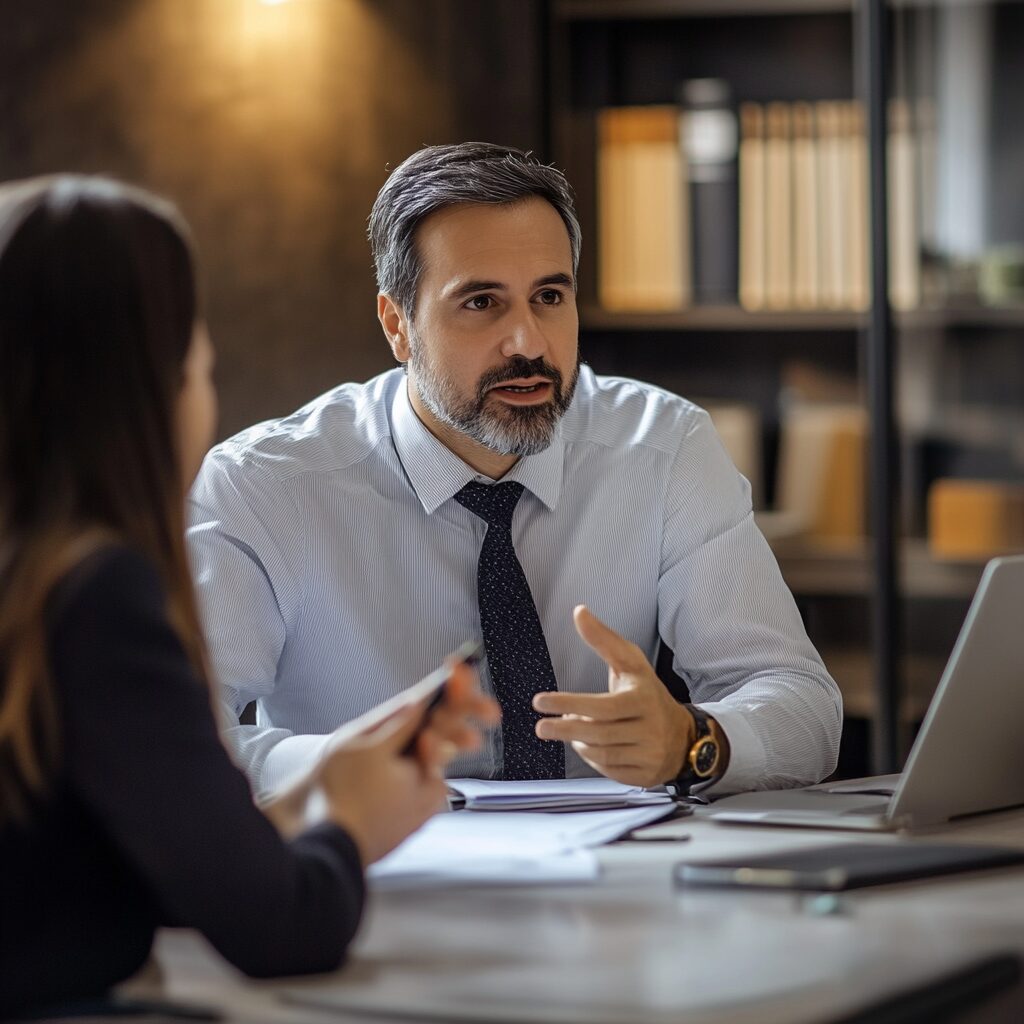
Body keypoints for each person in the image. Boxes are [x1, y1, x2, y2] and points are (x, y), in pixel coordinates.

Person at [189, 142, 842, 798]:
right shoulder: (266, 485)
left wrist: (692, 741)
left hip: (618, 878)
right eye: (481, 303)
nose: (529, 342)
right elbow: (176, 736)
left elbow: (802, 705)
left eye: (549, 297)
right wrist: (339, 770)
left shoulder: (663, 447)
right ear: (398, 326)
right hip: (375, 875)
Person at [0, 175, 497, 1018]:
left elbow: (146, 854)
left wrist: (316, 794)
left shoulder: (32, 582)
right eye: (199, 360)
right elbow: (283, 929)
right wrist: (354, 830)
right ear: (143, 387)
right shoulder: (97, 602)